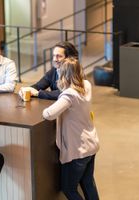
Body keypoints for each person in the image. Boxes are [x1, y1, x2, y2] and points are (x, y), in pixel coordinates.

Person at [42, 58, 99, 200]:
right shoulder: (86, 85)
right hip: (91, 144)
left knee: (69, 189)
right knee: (88, 183)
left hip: (78, 149)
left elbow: (48, 114)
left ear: (64, 75)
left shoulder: (69, 95)